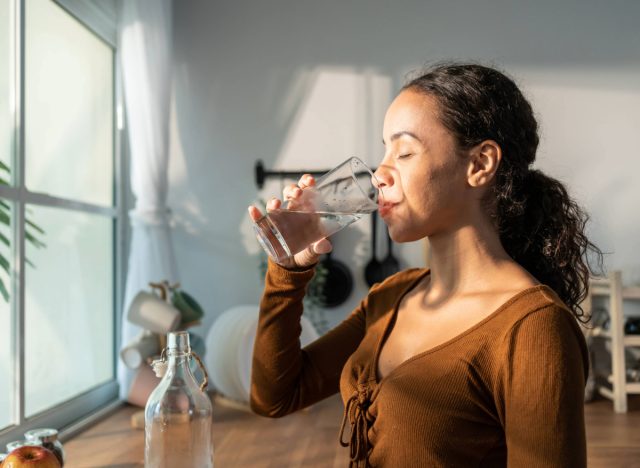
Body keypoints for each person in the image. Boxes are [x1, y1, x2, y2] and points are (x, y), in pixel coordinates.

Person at [247, 62, 603, 467]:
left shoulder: (532, 328)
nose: (380, 173)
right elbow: (274, 396)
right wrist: (288, 271)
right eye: (383, 150)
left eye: (404, 151)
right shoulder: (392, 297)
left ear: (480, 164)